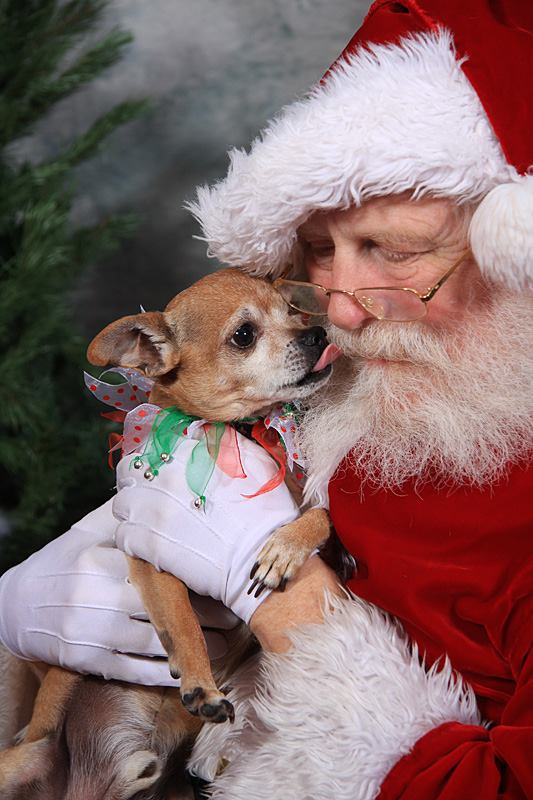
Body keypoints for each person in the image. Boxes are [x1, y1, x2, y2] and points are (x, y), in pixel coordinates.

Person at [0, 0, 531, 797]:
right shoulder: (348, 402)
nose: (340, 313)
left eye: (394, 251)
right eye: (317, 252)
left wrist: (294, 615)